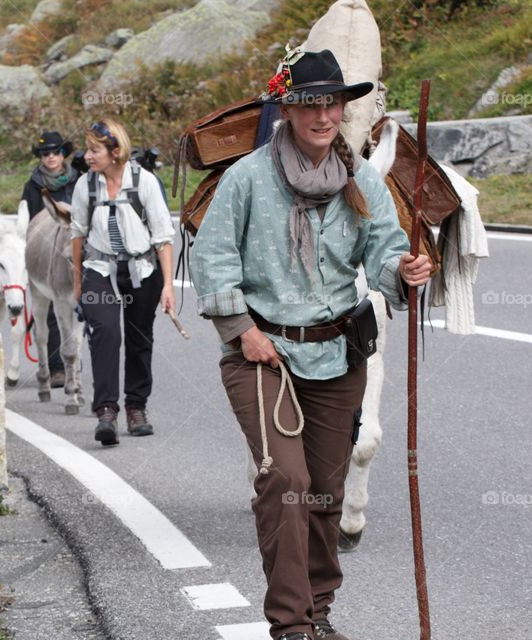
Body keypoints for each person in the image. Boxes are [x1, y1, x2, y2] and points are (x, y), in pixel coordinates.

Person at [190, 49, 431, 640]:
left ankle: (318, 614)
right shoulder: (248, 177)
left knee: (325, 492)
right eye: (310, 103)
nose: (323, 115)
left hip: (338, 352)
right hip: (261, 352)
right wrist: (242, 331)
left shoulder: (363, 179)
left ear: (342, 109)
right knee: (285, 482)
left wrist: (404, 270)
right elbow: (212, 258)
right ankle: (291, 626)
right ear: (289, 108)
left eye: (332, 103)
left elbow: (382, 252)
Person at [70, 118, 175, 445]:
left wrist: (168, 285)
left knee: (139, 338)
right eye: (88, 149)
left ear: (115, 152)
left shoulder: (144, 182)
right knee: (105, 332)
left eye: (94, 150)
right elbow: (77, 235)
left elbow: (163, 238)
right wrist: (77, 281)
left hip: (142, 270)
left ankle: (136, 407)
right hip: (100, 269)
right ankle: (106, 411)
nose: (87, 156)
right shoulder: (85, 186)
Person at [22, 131, 81, 388]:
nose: (51, 158)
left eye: (55, 152)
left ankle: (73, 366)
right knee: (51, 315)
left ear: (63, 154)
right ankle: (55, 367)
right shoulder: (33, 185)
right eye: (45, 154)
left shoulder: (78, 180)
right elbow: (29, 218)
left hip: (73, 246)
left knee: (78, 312)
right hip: (47, 248)